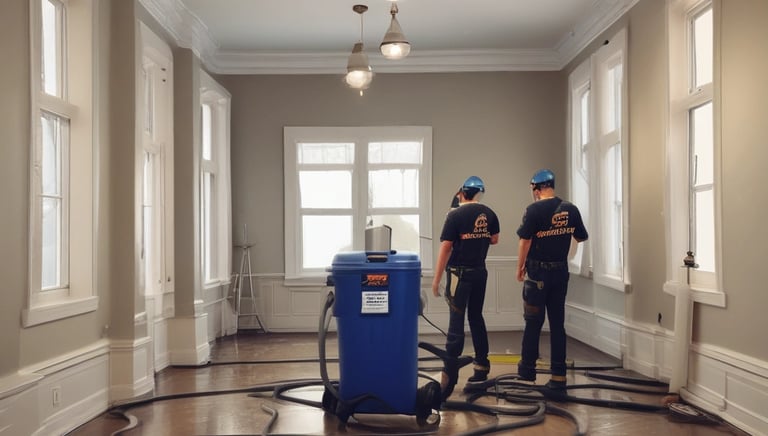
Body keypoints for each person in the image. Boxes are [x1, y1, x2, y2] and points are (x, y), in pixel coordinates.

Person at [515, 169, 588, 389]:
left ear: (536, 189)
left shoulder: (534, 210)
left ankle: (527, 372)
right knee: (558, 324)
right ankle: (558, 376)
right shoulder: (571, 209)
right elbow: (580, 236)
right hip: (560, 273)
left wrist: (520, 267)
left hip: (538, 274)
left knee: (533, 323)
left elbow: (525, 242)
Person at [432, 176, 500, 400]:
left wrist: (436, 279)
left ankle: (449, 376)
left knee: (456, 321)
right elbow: (494, 240)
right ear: (480, 193)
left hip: (458, 275)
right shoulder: (490, 214)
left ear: (462, 192)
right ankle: (481, 368)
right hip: (479, 272)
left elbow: (445, 249)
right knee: (476, 317)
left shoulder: (455, 215)